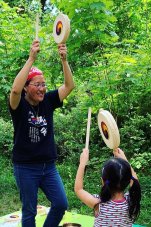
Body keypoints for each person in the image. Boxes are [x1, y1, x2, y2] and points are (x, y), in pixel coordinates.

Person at [9, 39, 75, 227]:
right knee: (29, 210)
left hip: (49, 167)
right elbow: (14, 89)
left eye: (44, 84)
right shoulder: (18, 105)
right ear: (26, 87)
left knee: (61, 203)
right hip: (26, 167)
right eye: (37, 85)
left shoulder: (48, 100)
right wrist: (31, 58)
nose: (42, 89)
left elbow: (69, 87)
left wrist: (64, 60)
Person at [74, 147, 141, 227]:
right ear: (128, 180)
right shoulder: (132, 201)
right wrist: (124, 159)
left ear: (102, 181)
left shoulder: (99, 204)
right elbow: (135, 181)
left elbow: (79, 189)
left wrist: (82, 163)